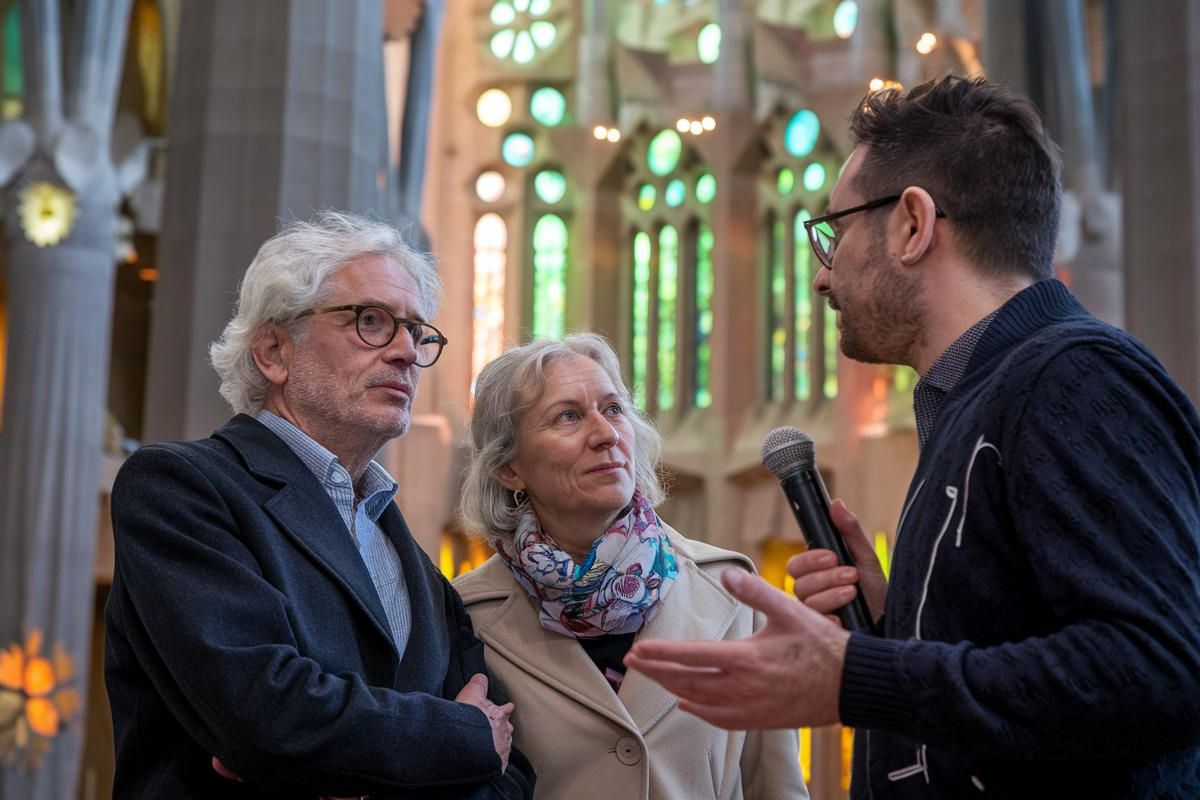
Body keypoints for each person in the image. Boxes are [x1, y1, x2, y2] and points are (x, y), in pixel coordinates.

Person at [625, 75, 1200, 798]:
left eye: (834, 235)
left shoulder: (1074, 377)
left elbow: (1159, 666)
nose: (822, 280)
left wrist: (856, 677)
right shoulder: (981, 396)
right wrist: (899, 624)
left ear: (911, 225)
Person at [104, 211, 535, 799]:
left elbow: (511, 772)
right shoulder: (182, 489)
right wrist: (456, 739)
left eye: (416, 331)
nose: (407, 352)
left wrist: (339, 765)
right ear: (274, 352)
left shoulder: (420, 569)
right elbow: (261, 714)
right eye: (372, 321)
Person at [452, 334, 808, 800]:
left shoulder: (732, 593)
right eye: (569, 416)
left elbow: (777, 788)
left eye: (614, 409)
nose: (606, 434)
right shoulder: (466, 616)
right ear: (509, 467)